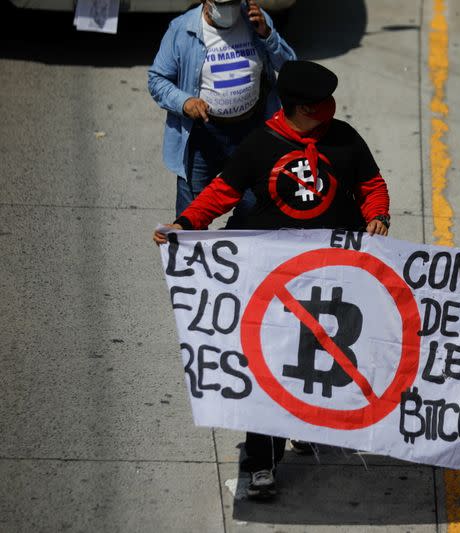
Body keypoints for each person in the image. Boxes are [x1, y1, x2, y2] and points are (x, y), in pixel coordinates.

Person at [153, 60, 391, 499]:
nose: (331, 109)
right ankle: (261, 463)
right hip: (273, 279)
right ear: (299, 107)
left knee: (320, 359)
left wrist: (377, 215)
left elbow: (372, 184)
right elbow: (221, 192)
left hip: (331, 276)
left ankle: (306, 423)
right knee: (269, 366)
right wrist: (185, 224)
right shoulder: (260, 144)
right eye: (321, 104)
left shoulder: (345, 138)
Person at [148, 0, 296, 225]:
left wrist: (267, 35)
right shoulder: (182, 29)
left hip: (251, 133)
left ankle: (229, 247)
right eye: (222, 3)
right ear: (206, 2)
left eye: (236, 1)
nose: (230, 8)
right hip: (203, 136)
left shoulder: (256, 20)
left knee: (256, 207)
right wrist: (185, 102)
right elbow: (157, 79)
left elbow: (290, 68)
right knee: (191, 217)